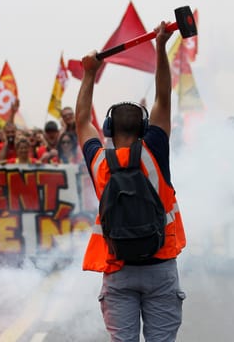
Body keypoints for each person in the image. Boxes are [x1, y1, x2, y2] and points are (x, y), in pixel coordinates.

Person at [75, 21, 186, 342]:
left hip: (117, 269)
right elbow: (164, 97)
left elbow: (82, 120)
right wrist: (161, 47)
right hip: (161, 265)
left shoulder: (98, 162)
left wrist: (89, 73)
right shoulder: (155, 150)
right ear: (145, 128)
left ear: (107, 129)